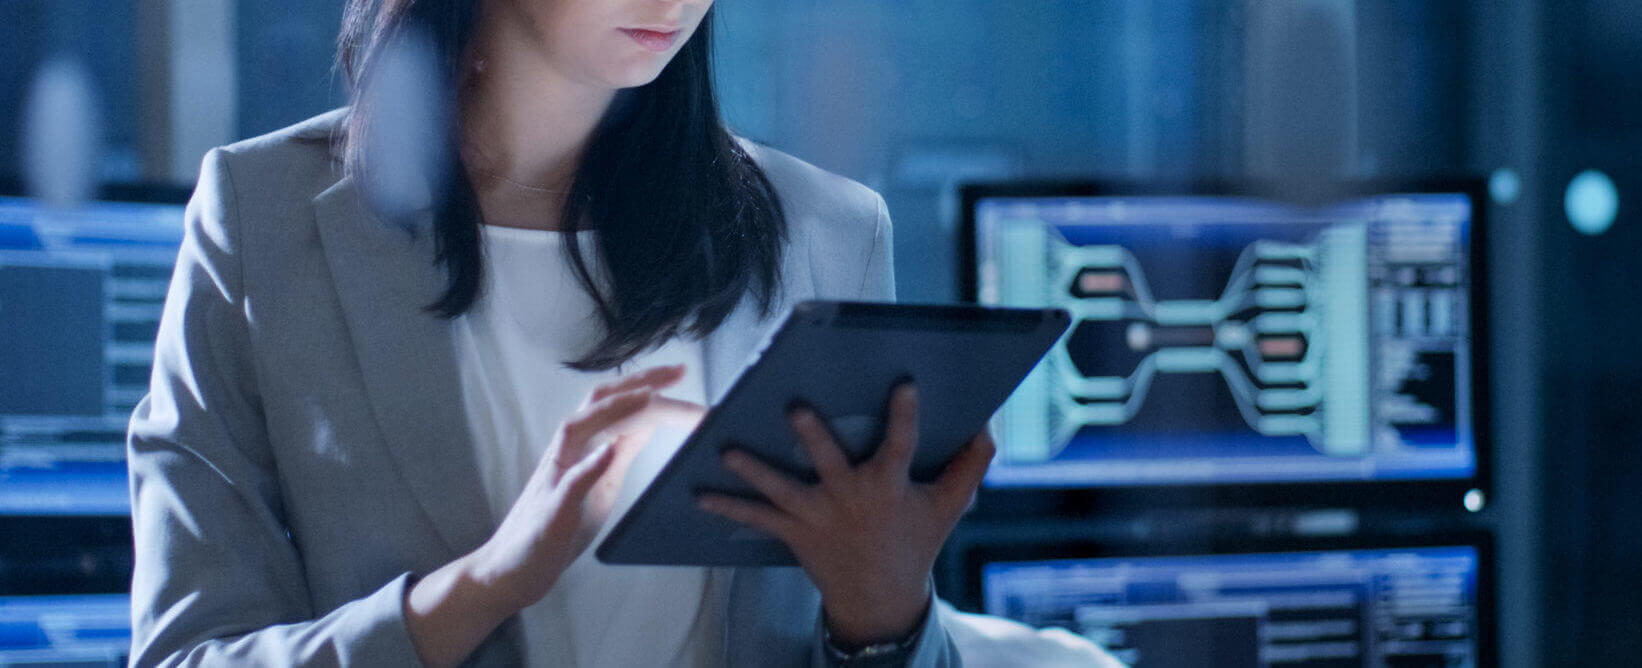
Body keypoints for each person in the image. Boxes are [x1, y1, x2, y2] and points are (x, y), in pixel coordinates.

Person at [125, 0, 993, 665]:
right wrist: (481, 587)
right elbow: (184, 653)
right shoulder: (262, 217)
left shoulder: (827, 232)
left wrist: (883, 615)